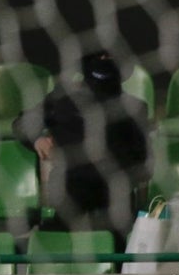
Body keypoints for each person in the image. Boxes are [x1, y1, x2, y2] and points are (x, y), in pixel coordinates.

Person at [12, 50, 150, 250]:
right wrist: (38, 140)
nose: (105, 62)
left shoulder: (134, 107)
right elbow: (21, 123)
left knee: (115, 247)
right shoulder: (64, 99)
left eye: (110, 58)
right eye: (100, 58)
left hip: (115, 190)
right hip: (71, 185)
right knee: (62, 246)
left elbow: (143, 158)